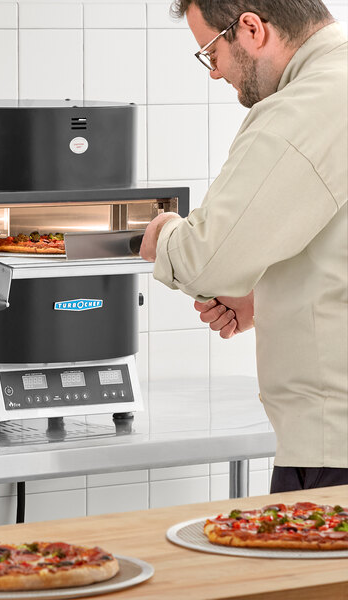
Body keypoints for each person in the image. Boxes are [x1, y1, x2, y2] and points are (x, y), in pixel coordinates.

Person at [139, 0, 347, 492]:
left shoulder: (308, 106)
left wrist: (163, 233)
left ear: (251, 28)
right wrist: (268, 294)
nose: (214, 73)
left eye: (211, 52)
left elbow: (204, 260)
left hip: (335, 447)